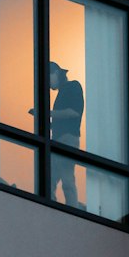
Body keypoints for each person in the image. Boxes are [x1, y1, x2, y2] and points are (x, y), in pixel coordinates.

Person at [49, 60, 83, 207]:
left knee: (67, 179)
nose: (48, 84)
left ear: (56, 73)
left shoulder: (73, 86)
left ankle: (73, 209)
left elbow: (73, 112)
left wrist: (47, 113)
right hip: (58, 140)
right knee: (50, 178)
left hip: (68, 139)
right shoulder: (63, 92)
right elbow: (61, 119)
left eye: (48, 78)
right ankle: (51, 206)